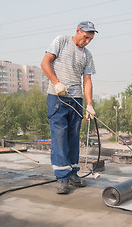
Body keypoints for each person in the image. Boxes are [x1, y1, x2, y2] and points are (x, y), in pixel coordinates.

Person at [41, 21, 97, 194]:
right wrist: (56, 83)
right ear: (78, 31)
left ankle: (73, 173)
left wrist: (89, 104)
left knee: (73, 137)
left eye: (90, 39)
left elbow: (87, 80)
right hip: (57, 98)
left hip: (76, 100)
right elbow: (45, 63)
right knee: (60, 137)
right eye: (85, 37)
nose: (87, 41)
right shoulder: (62, 41)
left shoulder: (87, 55)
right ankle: (62, 178)